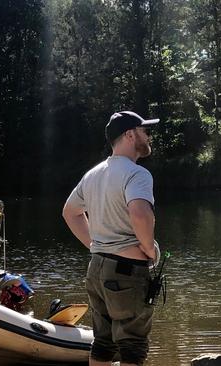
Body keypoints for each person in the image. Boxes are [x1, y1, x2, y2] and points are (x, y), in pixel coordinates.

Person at [62, 111, 160, 366]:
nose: (148, 136)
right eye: (144, 130)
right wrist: (150, 249)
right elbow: (140, 213)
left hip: (96, 268)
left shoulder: (94, 173)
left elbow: (70, 212)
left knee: (103, 342)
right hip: (128, 271)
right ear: (130, 134)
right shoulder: (137, 174)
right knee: (133, 345)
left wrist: (94, 244)